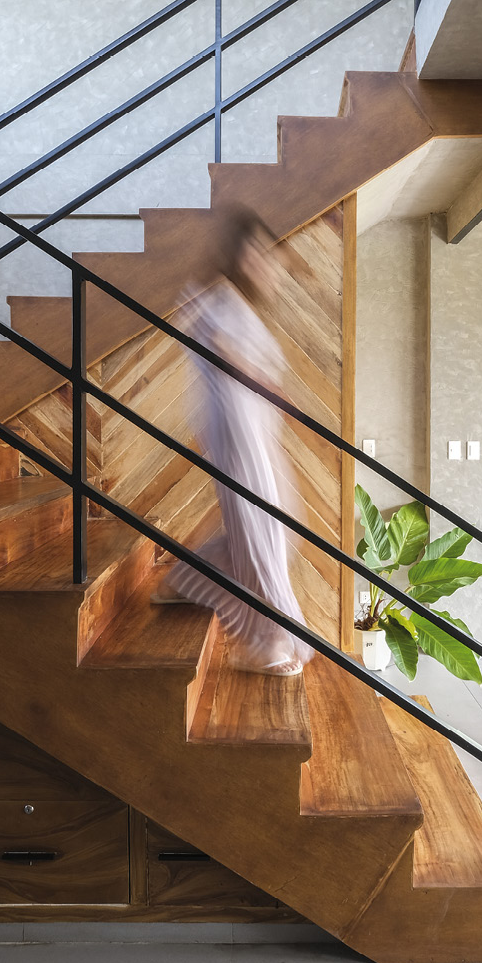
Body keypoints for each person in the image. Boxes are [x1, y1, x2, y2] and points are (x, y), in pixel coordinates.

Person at [151, 207, 309, 677]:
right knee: (260, 531)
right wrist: (268, 384)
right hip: (238, 433)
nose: (268, 265)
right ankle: (266, 640)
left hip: (254, 433)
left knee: (278, 526)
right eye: (257, 252)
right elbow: (222, 351)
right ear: (237, 253)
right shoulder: (216, 299)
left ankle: (184, 579)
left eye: (272, 257)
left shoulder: (240, 305)